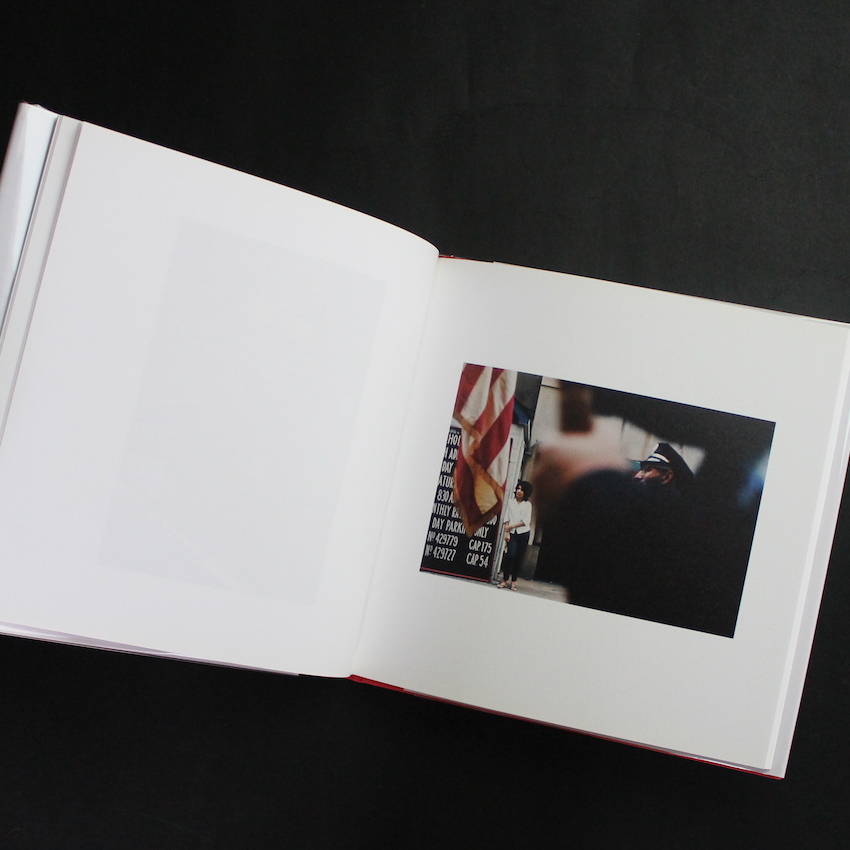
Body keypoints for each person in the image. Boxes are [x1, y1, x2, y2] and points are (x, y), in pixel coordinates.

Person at [531, 424, 714, 631]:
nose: (639, 475)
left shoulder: (663, 510)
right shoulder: (652, 506)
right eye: (641, 469)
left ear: (667, 476)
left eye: (648, 470)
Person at [498, 480, 533, 591]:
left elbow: (526, 521)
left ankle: (514, 581)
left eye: (521, 489)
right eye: (518, 488)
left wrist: (511, 526)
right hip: (512, 534)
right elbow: (507, 517)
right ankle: (504, 579)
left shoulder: (527, 505)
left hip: (523, 533)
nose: (519, 491)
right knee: (510, 555)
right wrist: (507, 531)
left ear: (526, 492)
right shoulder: (510, 502)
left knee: (519, 557)